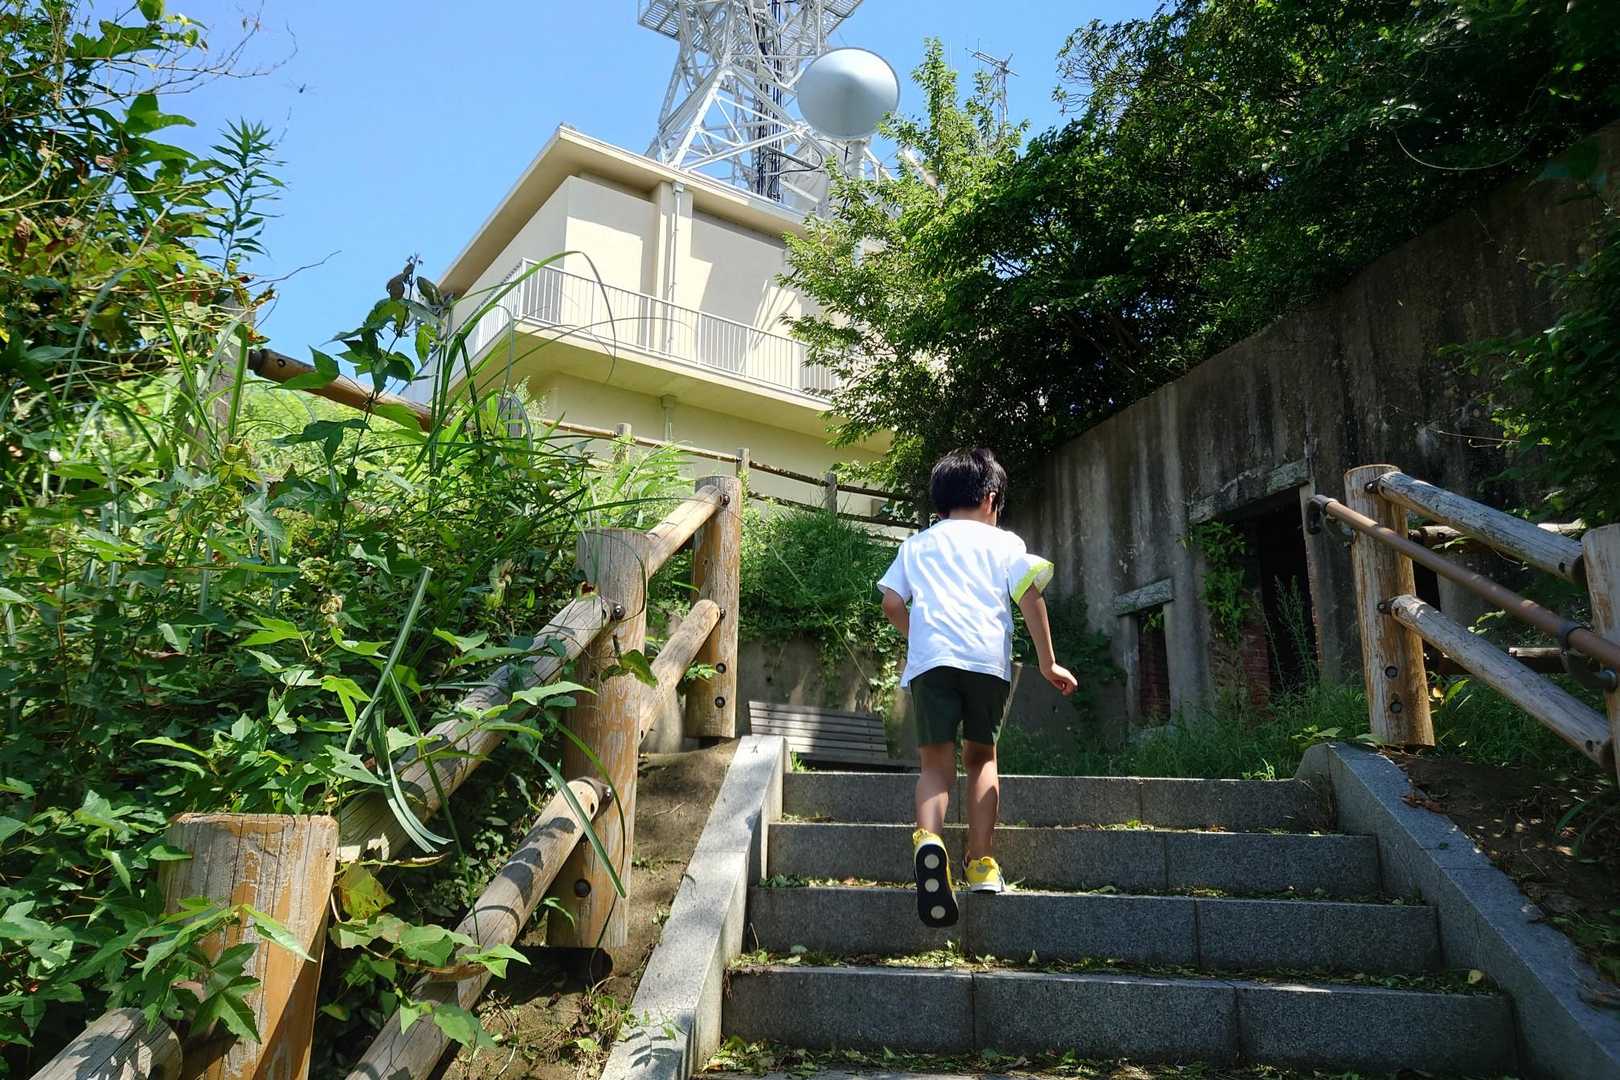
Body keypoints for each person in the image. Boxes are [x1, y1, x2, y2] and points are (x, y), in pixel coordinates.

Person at [877, 448, 1077, 927]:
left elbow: (891, 603)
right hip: (987, 663)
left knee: (935, 765)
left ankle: (929, 840)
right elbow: (1029, 596)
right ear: (990, 499)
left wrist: (920, 638)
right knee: (982, 758)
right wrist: (1048, 662)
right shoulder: (1005, 543)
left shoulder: (917, 545)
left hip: (931, 663)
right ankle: (982, 864)